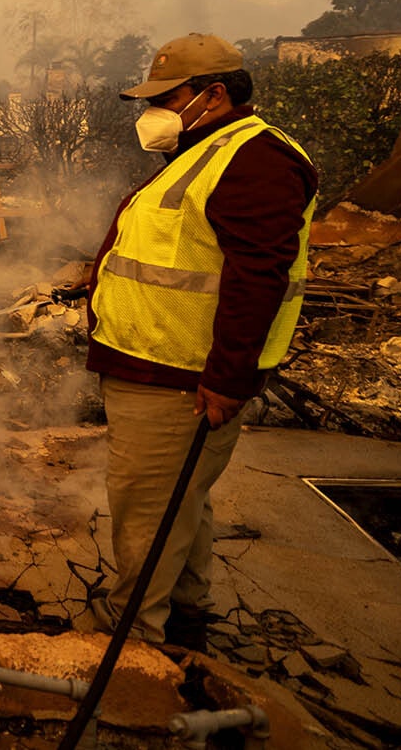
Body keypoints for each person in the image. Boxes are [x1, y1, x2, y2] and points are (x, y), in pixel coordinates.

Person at [84, 33, 317, 643]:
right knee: (182, 498)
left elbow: (259, 274)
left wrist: (227, 378)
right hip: (160, 367)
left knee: (148, 511)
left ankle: (133, 647)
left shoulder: (255, 158)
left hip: (180, 378)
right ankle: (187, 616)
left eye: (166, 96)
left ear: (213, 95)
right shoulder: (208, 150)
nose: (151, 111)